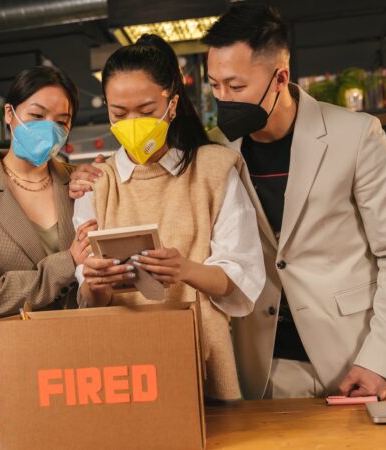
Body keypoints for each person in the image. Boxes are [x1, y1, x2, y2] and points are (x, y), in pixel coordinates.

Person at [70, 4, 386, 400]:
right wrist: (88, 177)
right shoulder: (216, 151)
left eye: (235, 88)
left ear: (280, 78)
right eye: (215, 86)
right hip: (260, 364)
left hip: (353, 356)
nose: (224, 98)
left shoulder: (355, 135)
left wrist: (380, 359)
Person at [72, 34, 265, 401]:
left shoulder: (213, 169)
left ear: (172, 103)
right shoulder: (97, 183)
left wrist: (185, 270)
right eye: (118, 113)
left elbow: (242, 278)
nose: (132, 123)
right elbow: (91, 300)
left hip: (200, 352)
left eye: (145, 111)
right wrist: (95, 282)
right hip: (120, 367)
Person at [0, 66, 96, 411]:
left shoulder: (78, 184)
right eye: (38, 114)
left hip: (80, 368)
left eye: (62, 120)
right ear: (10, 114)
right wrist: (65, 263)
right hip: (7, 372)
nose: (50, 128)